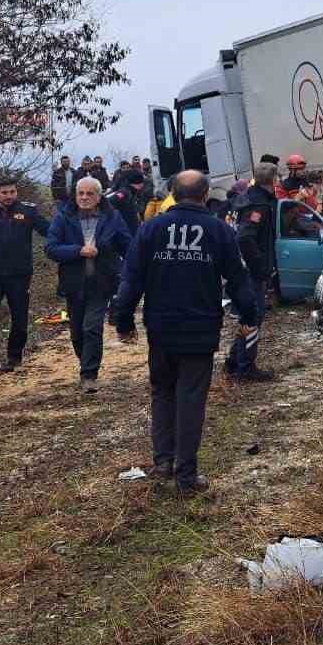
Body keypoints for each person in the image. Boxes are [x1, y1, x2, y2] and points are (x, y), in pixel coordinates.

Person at [113, 171, 261, 494]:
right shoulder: (219, 230)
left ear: (172, 193)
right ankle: (186, 476)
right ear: (205, 194)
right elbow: (238, 279)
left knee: (162, 392)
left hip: (161, 330)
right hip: (200, 329)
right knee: (191, 398)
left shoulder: (150, 229)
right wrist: (249, 315)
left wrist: (122, 322)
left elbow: (130, 281)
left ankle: (163, 462)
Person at [45, 176, 131, 392]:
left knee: (92, 327)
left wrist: (131, 272)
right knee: (77, 333)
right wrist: (78, 251)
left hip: (102, 283)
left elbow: (127, 246)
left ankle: (89, 374)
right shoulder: (63, 217)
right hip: (74, 284)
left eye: (89, 193)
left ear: (99, 196)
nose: (84, 197)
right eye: (80, 193)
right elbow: (51, 248)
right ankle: (85, 362)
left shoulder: (112, 217)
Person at [0, 175, 51, 376]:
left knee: (19, 317)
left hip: (19, 273)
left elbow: (49, 231)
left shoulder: (28, 211)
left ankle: (14, 356)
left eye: (12, 192)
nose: (9, 196)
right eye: (4, 192)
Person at [227, 161, 279, 382]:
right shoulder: (258, 204)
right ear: (274, 180)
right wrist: (260, 267)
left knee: (248, 317)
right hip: (251, 271)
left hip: (243, 269)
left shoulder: (250, 197)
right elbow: (245, 237)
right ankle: (246, 367)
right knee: (253, 317)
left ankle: (234, 361)